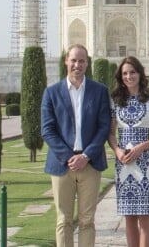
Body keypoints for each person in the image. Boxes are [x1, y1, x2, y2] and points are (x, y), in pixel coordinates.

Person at [41, 44, 111, 247]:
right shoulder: (52, 92)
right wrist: (70, 157)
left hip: (90, 164)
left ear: (87, 63)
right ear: (66, 62)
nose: (77, 65)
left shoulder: (99, 91)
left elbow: (103, 126)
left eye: (81, 61)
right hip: (62, 165)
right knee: (63, 220)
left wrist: (86, 156)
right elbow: (47, 130)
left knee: (87, 220)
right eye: (73, 60)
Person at [108, 56, 149, 247]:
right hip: (124, 165)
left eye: (132, 72)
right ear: (120, 77)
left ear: (140, 73)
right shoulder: (116, 101)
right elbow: (110, 133)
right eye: (125, 73)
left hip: (145, 165)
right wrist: (117, 151)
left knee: (144, 217)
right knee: (129, 218)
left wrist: (142, 147)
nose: (129, 76)